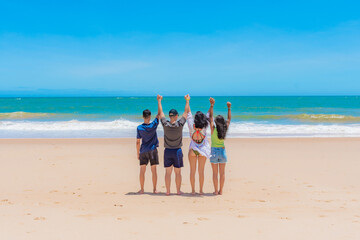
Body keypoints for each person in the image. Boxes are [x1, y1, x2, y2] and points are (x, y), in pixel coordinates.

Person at [157, 94, 190, 195]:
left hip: (167, 151)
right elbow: (186, 112)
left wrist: (159, 101)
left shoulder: (165, 124)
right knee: (178, 173)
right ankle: (178, 191)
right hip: (177, 151)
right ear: (176, 116)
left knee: (168, 173)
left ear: (169, 116)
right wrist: (187, 101)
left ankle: (167, 191)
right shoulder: (179, 124)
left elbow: (161, 113)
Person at [187, 97, 214, 195]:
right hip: (203, 149)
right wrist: (211, 105)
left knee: (192, 171)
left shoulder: (191, 125)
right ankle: (201, 191)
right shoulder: (205, 126)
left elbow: (188, 113)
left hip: (193, 149)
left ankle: (193, 191)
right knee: (201, 171)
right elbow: (209, 114)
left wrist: (187, 101)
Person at [209, 100, 232, 195]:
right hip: (222, 152)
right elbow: (229, 119)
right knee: (222, 173)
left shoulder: (213, 129)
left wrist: (212, 105)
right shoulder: (224, 130)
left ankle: (215, 191)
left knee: (215, 173)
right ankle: (221, 190)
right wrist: (229, 108)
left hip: (213, 151)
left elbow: (210, 117)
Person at [136, 109, 160, 194]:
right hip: (152, 150)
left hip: (143, 151)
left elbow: (138, 142)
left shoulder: (139, 128)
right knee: (154, 170)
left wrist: (138, 153)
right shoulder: (153, 125)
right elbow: (159, 114)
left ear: (143, 117)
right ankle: (154, 189)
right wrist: (159, 101)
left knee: (142, 170)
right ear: (150, 117)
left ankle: (142, 189)